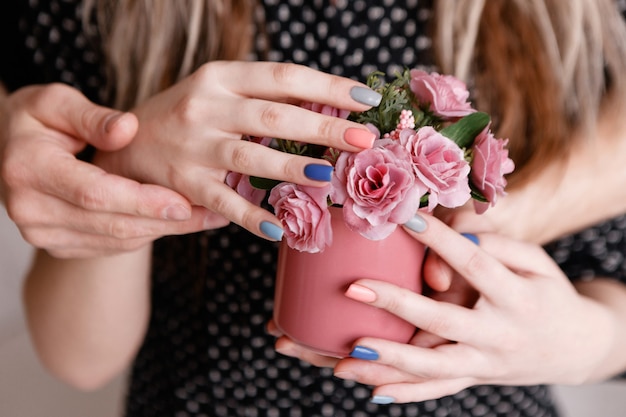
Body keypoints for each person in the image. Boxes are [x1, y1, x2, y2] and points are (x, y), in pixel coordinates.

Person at [1, 1, 626, 417]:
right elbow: (78, 358)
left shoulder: (570, 21)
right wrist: (123, 168)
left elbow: (609, 284)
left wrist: (587, 342)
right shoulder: (109, 15)